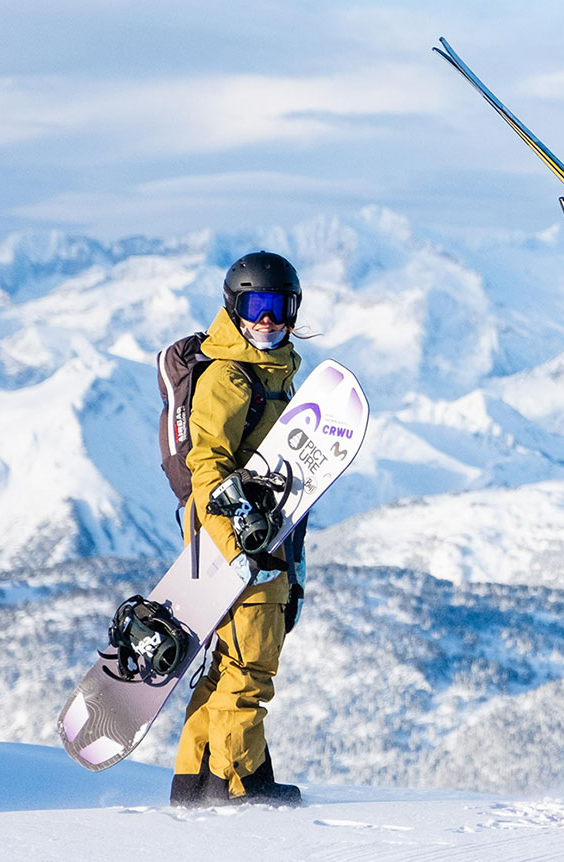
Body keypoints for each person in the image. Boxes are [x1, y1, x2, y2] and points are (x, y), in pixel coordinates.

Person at [168, 251, 307, 807]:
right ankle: (237, 785)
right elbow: (207, 465)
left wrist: (292, 568)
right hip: (241, 550)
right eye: (255, 306)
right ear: (234, 308)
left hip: (258, 546)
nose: (267, 320)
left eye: (278, 306)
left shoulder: (272, 376)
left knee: (226, 667)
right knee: (249, 670)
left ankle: (193, 783)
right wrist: (237, 552)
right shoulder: (230, 376)